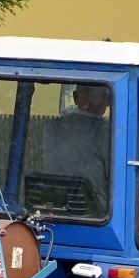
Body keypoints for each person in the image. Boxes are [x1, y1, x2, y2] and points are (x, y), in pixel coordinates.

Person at [41, 84, 112, 215]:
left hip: (54, 209)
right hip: (97, 215)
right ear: (108, 100)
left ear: (75, 98)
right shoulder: (108, 133)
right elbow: (118, 182)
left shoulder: (51, 127)